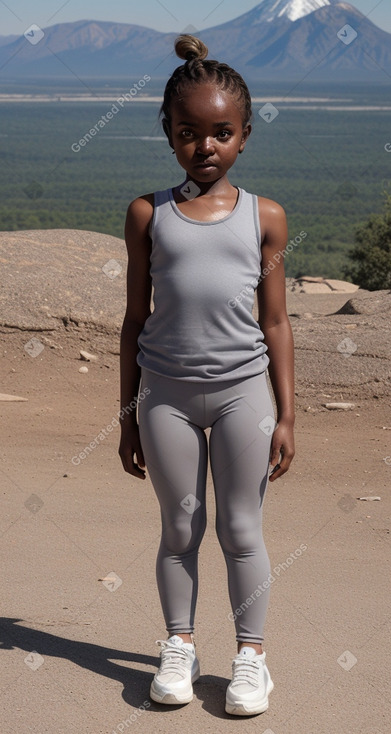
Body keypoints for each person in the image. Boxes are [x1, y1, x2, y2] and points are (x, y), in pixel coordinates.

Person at [118, 34, 295, 717]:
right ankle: (178, 646)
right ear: (168, 133)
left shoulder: (265, 218)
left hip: (243, 395)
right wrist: (128, 413)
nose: (205, 147)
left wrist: (285, 414)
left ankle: (251, 658)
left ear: (244, 136)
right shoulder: (147, 214)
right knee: (180, 526)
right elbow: (134, 321)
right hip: (163, 393)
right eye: (189, 132)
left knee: (241, 529)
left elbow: (276, 323)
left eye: (221, 133)